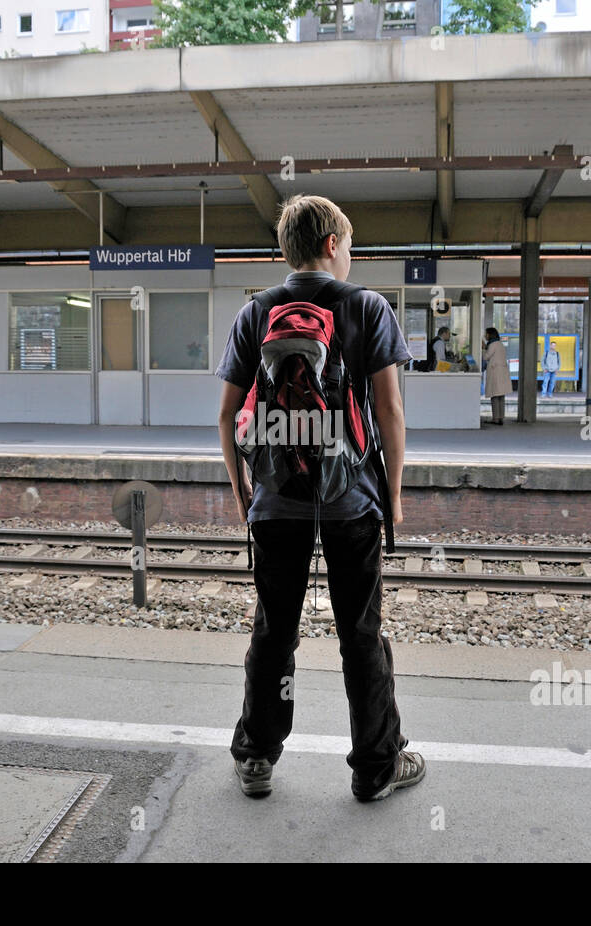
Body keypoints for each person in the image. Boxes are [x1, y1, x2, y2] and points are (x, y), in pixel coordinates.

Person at [216, 193, 424, 803]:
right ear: (332, 244)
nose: (351, 255)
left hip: (276, 501)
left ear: (288, 249)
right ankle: (375, 767)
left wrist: (243, 494)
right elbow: (388, 410)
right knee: (360, 634)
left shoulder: (255, 313)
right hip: (351, 501)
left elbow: (229, 415)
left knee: (274, 632)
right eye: (350, 245)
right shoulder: (368, 308)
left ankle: (257, 756)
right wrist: (393, 495)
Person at [482, 327, 508, 425]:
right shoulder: (499, 344)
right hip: (502, 372)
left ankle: (495, 418)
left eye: (486, 334)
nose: (485, 336)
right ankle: (501, 417)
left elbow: (486, 357)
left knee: (494, 395)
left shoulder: (492, 345)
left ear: (490, 334)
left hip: (495, 372)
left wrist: (484, 348)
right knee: (501, 395)